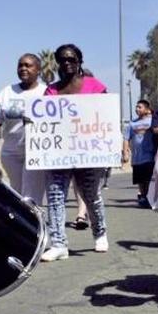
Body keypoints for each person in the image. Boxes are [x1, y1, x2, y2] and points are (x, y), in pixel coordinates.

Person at [39, 44, 109, 261]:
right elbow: (44, 119)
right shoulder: (51, 90)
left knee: (90, 195)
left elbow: (106, 116)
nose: (66, 63)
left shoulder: (95, 86)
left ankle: (100, 232)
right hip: (59, 153)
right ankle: (59, 244)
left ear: (79, 61)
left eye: (71, 59)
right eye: (62, 60)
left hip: (88, 152)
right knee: (55, 194)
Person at [0, 53, 47, 202]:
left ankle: (35, 223)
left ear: (38, 70)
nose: (23, 68)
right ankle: (22, 223)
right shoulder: (8, 91)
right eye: (20, 65)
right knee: (16, 193)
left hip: (35, 152)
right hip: (11, 151)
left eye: (28, 65)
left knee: (31, 194)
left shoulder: (46, 93)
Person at [123, 99, 157, 207]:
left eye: (140, 107)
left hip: (149, 156)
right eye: (136, 107)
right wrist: (126, 153)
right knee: (140, 179)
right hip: (137, 157)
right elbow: (126, 139)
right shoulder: (132, 124)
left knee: (147, 178)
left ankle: (147, 197)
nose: (137, 109)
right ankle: (143, 196)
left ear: (147, 109)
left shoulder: (152, 121)